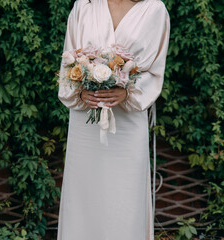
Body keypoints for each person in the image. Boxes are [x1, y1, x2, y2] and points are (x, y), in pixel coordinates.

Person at [57, 0, 170, 239]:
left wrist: (128, 92)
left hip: (127, 123)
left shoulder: (154, 9)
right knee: (84, 197)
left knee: (125, 198)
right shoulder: (84, 6)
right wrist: (79, 91)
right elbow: (68, 61)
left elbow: (155, 70)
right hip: (85, 120)